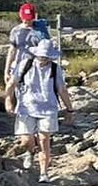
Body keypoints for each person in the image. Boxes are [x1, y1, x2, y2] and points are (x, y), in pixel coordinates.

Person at [6, 35, 71, 174]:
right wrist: (8, 100)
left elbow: (62, 89)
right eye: (42, 56)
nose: (44, 59)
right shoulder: (24, 65)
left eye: (46, 57)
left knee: (44, 139)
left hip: (48, 108)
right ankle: (30, 152)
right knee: (26, 138)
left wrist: (69, 109)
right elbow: (12, 83)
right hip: (26, 107)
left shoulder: (55, 69)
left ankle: (43, 172)